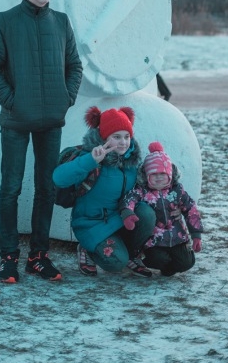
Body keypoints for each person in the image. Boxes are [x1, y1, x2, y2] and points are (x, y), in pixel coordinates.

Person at [0, 0, 83, 284]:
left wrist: (65, 99)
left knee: (46, 189)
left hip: (51, 122)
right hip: (15, 122)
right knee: (10, 188)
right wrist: (12, 101)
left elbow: (75, 67)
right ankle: (8, 258)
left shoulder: (62, 23)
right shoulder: (5, 22)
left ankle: (38, 257)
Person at [53, 106, 156, 277]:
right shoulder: (91, 158)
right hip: (93, 224)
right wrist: (90, 160)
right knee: (116, 263)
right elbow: (59, 178)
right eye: (116, 137)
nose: (123, 142)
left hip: (121, 220)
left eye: (126, 136)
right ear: (104, 137)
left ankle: (130, 253)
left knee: (146, 213)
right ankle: (87, 249)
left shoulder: (131, 161)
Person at [120, 141, 203, 276]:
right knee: (158, 259)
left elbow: (191, 209)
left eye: (162, 174)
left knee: (187, 262)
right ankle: (151, 260)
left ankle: (169, 268)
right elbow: (129, 199)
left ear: (170, 174)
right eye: (154, 174)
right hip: (154, 240)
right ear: (147, 176)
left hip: (177, 237)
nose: (159, 178)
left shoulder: (177, 191)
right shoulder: (143, 191)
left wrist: (196, 235)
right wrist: (128, 212)